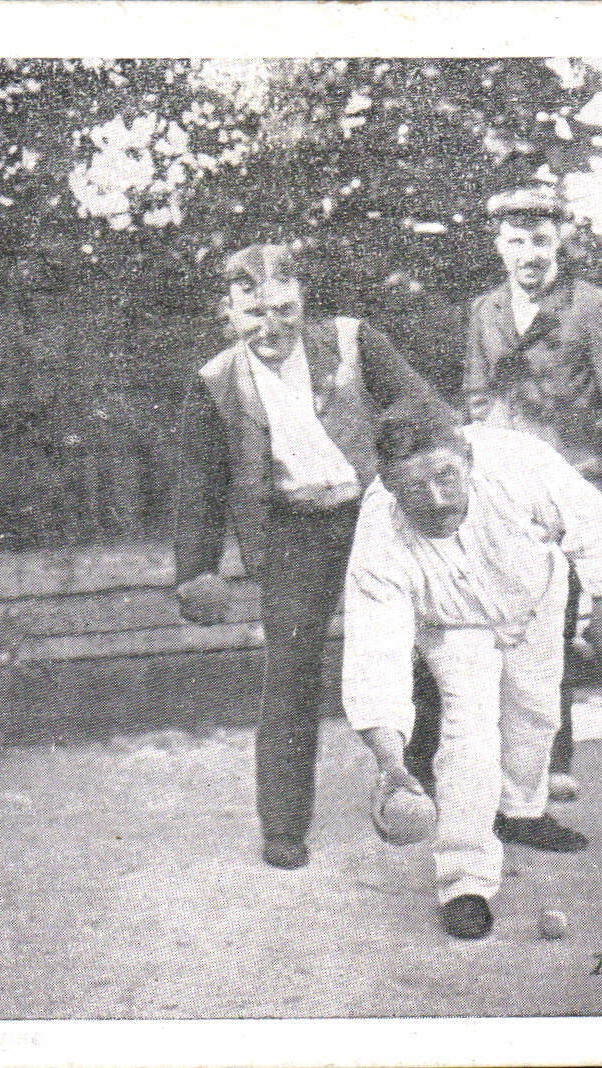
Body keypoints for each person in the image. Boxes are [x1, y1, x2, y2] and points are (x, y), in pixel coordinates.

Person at [173, 243, 438, 871]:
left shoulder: (351, 341)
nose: (273, 329)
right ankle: (285, 825)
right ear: (228, 313)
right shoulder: (214, 383)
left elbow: (419, 405)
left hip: (373, 513)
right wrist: (197, 570)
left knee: (423, 646)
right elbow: (200, 485)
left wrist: (401, 454)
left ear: (304, 302)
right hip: (294, 529)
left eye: (286, 310)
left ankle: (420, 781)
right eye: (255, 314)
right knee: (290, 673)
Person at [343, 399, 602, 939]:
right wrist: (392, 765)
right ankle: (464, 880)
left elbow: (590, 522)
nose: (435, 500)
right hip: (454, 627)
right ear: (387, 485)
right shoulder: (379, 537)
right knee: (469, 738)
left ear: (468, 459)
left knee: (537, 712)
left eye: (447, 477)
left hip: (536, 598)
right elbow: (374, 658)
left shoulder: (518, 462)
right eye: (413, 489)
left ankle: (521, 810)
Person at [404, 186, 602, 804]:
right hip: (500, 491)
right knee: (476, 617)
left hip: (571, 485)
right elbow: (476, 395)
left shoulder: (595, 308)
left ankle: (549, 765)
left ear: (561, 239)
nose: (530, 254)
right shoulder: (485, 310)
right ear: (499, 245)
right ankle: (454, 756)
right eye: (516, 241)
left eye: (541, 239)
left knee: (551, 624)